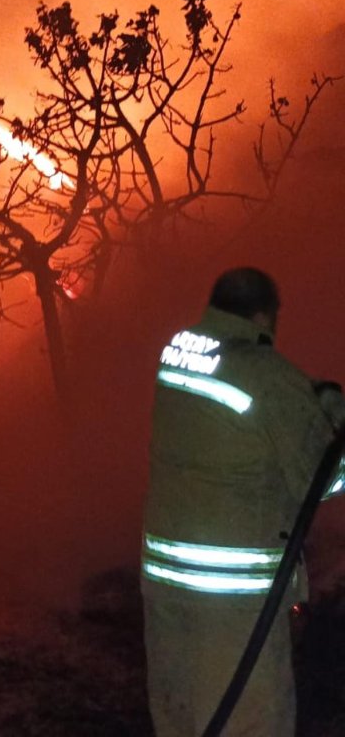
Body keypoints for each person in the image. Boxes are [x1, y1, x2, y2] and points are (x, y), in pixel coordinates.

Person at [141, 267, 345, 737]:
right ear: (261, 315)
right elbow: (325, 479)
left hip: (168, 588)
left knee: (182, 717)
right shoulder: (267, 375)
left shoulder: (178, 349)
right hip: (234, 605)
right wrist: (331, 410)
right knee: (251, 720)